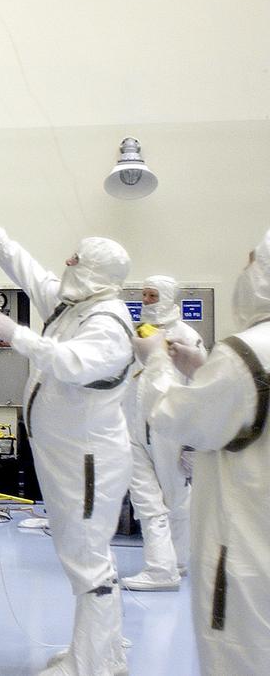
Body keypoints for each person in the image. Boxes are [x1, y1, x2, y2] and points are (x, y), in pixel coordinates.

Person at [0, 205, 134, 676]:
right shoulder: (73, 306)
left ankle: (89, 665)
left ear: (97, 273)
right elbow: (24, 266)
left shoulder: (109, 324)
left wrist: (14, 335)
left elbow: (70, 363)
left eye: (77, 260)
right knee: (87, 559)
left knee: (87, 561)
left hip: (88, 463)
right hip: (65, 456)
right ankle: (106, 651)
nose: (67, 263)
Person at [135, 229, 270, 674]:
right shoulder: (239, 359)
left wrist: (157, 361)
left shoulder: (247, 351)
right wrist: (203, 369)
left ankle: (168, 565)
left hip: (248, 556)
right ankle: (162, 564)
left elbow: (178, 414)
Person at [121, 275, 206, 591]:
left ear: (169, 297)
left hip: (172, 433)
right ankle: (159, 568)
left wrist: (193, 442)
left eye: (152, 295)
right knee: (145, 499)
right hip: (134, 428)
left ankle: (178, 561)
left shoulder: (187, 336)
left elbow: (200, 387)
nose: (146, 301)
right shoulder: (140, 335)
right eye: (143, 295)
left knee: (177, 500)